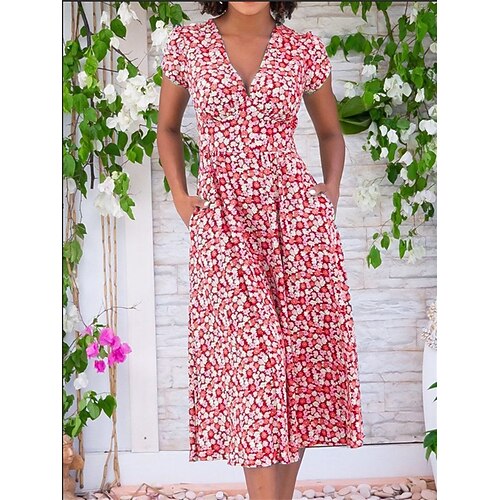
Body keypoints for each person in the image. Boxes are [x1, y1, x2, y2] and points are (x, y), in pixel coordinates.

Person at [157, 2, 364, 499]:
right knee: (256, 359)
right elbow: (167, 128)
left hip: (296, 223)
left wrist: (329, 192)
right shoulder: (188, 46)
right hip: (224, 221)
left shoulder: (303, 49)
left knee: (294, 365)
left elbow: (330, 132)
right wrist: (182, 196)